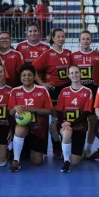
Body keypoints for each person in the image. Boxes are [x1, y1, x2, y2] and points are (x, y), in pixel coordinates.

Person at [32, 28, 72, 157]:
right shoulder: (48, 54)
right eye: (58, 37)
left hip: (66, 90)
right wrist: (42, 83)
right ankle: (56, 145)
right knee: (55, 119)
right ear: (53, 38)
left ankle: (67, 143)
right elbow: (32, 68)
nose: (61, 39)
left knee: (65, 119)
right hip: (54, 90)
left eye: (63, 36)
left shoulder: (68, 53)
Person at [8, 64, 53, 171]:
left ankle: (28, 150)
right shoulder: (15, 91)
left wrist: (33, 109)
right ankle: (16, 160)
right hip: (23, 128)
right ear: (20, 77)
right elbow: (10, 113)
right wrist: (15, 107)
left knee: (37, 162)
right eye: (23, 75)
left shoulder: (42, 90)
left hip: (38, 131)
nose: (26, 77)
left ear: (34, 77)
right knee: (19, 128)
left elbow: (49, 111)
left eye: (29, 75)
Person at [70, 31, 99, 159]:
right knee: (77, 119)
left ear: (91, 40)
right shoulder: (73, 56)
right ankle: (73, 146)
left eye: (87, 39)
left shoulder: (98, 56)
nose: (85, 41)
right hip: (77, 91)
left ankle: (88, 148)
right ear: (79, 41)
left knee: (91, 121)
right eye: (83, 39)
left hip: (93, 90)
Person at [56, 65, 93, 172]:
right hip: (65, 125)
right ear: (69, 76)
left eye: (76, 72)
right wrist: (64, 123)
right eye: (72, 73)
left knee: (75, 161)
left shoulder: (87, 91)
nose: (74, 75)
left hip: (80, 127)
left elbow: (86, 113)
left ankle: (69, 149)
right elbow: (58, 111)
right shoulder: (64, 91)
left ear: (81, 74)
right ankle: (66, 162)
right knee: (67, 133)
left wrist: (70, 124)